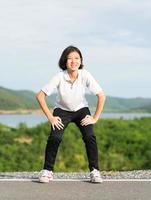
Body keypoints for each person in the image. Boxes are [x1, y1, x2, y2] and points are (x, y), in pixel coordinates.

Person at [36, 45, 106, 183]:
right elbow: (40, 96)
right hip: (62, 111)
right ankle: (47, 171)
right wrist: (50, 117)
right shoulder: (59, 77)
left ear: (80, 60)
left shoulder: (85, 74)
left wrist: (95, 118)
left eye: (77, 58)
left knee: (89, 136)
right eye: (70, 58)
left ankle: (95, 171)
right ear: (64, 61)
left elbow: (101, 95)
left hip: (81, 110)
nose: (73, 61)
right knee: (55, 137)